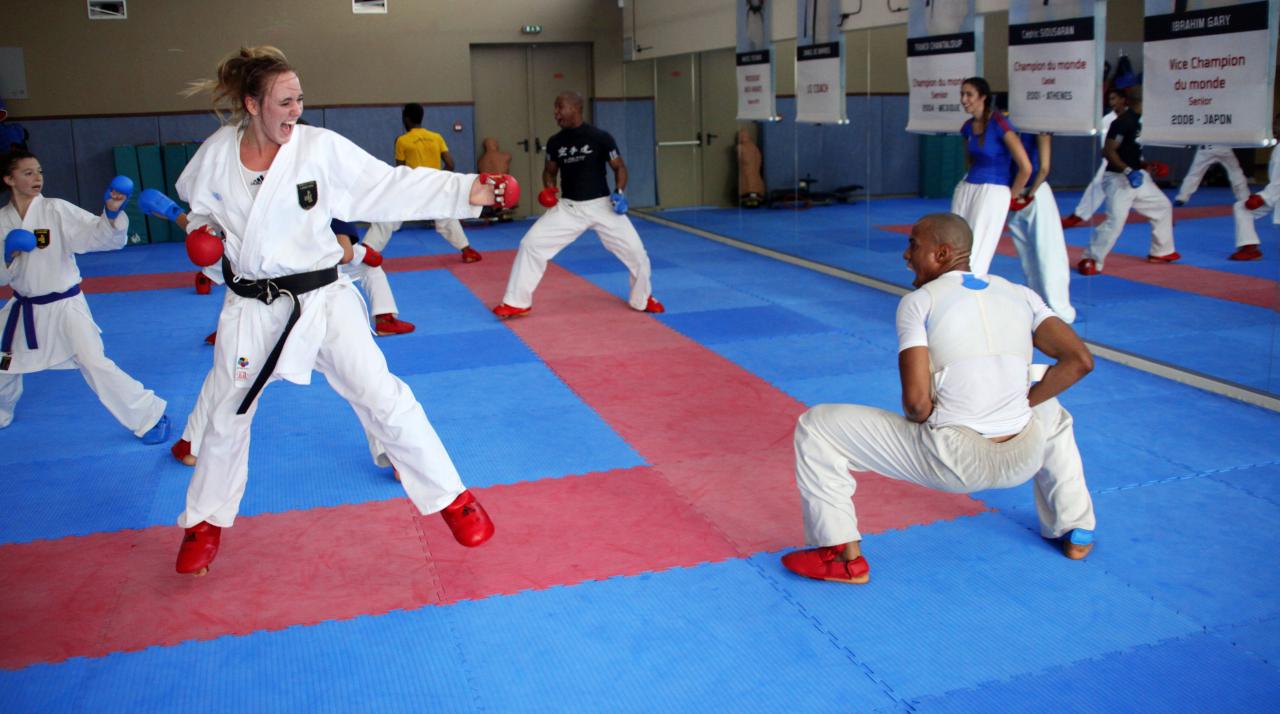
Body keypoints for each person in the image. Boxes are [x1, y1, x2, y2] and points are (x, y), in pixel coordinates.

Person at [170, 46, 515, 576]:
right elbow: (199, 211)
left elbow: (389, 186)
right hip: (252, 307)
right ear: (252, 104)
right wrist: (202, 233)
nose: (295, 111)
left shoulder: (319, 150)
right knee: (225, 415)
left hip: (324, 300)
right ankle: (203, 523)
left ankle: (452, 498)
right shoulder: (215, 156)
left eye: (299, 100)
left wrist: (469, 189)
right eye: (284, 101)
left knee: (381, 395)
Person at [780, 213, 1096, 585]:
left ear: (943, 253)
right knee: (1052, 410)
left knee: (817, 426)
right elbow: (1079, 361)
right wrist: (1020, 404)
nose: (906, 255)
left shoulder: (920, 302)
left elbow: (915, 405)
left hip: (955, 462)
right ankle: (1076, 528)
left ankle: (841, 558)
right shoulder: (1021, 295)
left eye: (914, 244)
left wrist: (951, 414)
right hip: (1023, 457)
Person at [0, 149, 170, 441]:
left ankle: (148, 415)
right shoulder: (2, 221)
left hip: (65, 307)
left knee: (94, 362)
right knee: (3, 363)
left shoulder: (55, 210)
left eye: (39, 171)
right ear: (9, 179)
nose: (37, 178)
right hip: (23, 310)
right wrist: (7, 254)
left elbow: (96, 236)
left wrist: (112, 214)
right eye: (28, 173)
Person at [493, 91, 663, 318]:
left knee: (637, 253)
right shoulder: (555, 142)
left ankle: (642, 298)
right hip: (569, 208)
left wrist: (619, 192)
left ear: (575, 108)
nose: (555, 113)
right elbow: (549, 171)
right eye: (555, 108)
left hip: (603, 206)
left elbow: (619, 167)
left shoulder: (600, 137)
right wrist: (549, 188)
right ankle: (517, 302)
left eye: (559, 107)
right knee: (530, 244)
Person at [361, 103, 482, 263]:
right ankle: (467, 251)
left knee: (388, 212)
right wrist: (441, 180)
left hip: (412, 186)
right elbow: (451, 164)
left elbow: (400, 169)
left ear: (406, 119)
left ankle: (369, 249)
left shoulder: (402, 140)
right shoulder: (436, 137)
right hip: (435, 185)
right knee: (447, 217)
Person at [1078, 86, 1179, 275]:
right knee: (1116, 221)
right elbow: (1108, 151)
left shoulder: (1139, 122)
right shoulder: (1122, 123)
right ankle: (1090, 258)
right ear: (1143, 101)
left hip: (1136, 178)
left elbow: (1130, 153)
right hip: (1117, 178)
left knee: (1162, 206)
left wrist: (1147, 165)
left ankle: (1161, 251)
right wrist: (1127, 170)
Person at [951, 77, 1032, 276]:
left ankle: (972, 290)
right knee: (954, 241)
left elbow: (1025, 167)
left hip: (993, 190)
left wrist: (1010, 197)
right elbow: (969, 161)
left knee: (978, 248)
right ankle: (952, 289)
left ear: (983, 97)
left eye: (969, 94)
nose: (964, 99)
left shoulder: (999, 123)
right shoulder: (967, 127)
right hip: (968, 187)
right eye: (962, 94)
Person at [1007, 131, 1076, 323]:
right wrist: (1013, 196)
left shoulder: (1039, 128)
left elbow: (1044, 168)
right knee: (1028, 255)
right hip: (1014, 193)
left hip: (1036, 194)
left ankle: (1060, 310)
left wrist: (1029, 195)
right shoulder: (1008, 126)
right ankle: (1037, 304)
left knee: (1049, 253)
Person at [1062, 87, 1128, 229]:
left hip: (1133, 160)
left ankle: (1159, 215)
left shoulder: (1134, 116)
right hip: (1112, 159)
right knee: (1097, 185)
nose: (1112, 102)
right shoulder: (1107, 120)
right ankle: (1078, 215)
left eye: (1115, 98)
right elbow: (1106, 145)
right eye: (1110, 99)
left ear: (1123, 100)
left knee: (1144, 191)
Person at [1229, 113, 1280, 261]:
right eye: (1274, 124)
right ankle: (1249, 247)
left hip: (1275, 193)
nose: (1274, 128)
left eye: (1277, 125)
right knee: (1241, 207)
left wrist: (1262, 197)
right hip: (1275, 194)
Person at [1173, 145, 1250, 207]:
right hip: (1224, 148)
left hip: (1206, 148)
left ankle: (1181, 198)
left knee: (1194, 174)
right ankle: (1244, 197)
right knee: (1235, 172)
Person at [477, 137, 515, 221]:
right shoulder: (505, 156)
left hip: (488, 189)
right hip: (502, 187)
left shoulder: (481, 161)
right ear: (495, 145)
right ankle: (503, 209)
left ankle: (494, 210)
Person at [737, 128, 766, 208]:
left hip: (747, 173)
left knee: (748, 180)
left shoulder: (740, 147)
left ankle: (750, 198)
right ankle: (754, 197)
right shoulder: (755, 148)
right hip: (755, 175)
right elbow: (759, 160)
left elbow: (742, 160)